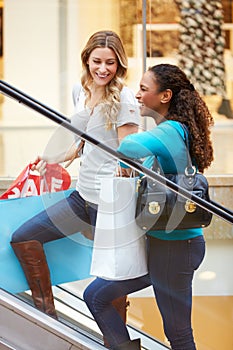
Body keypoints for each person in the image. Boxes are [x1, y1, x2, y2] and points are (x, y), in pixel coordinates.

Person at [10, 30, 140, 327]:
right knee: (24, 238)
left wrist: (121, 184)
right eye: (97, 61)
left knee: (112, 276)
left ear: (120, 64)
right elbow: (86, 141)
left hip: (110, 203)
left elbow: (128, 153)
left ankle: (116, 342)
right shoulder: (80, 91)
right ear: (86, 60)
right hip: (82, 197)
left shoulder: (125, 97)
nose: (103, 69)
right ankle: (48, 320)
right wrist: (56, 158)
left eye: (110, 63)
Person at [83, 63, 214, 350]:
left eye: (144, 89)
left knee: (178, 334)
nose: (137, 95)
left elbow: (128, 147)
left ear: (165, 96)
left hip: (175, 249)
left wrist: (124, 164)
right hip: (164, 244)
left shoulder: (170, 130)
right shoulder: (177, 131)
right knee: (96, 295)